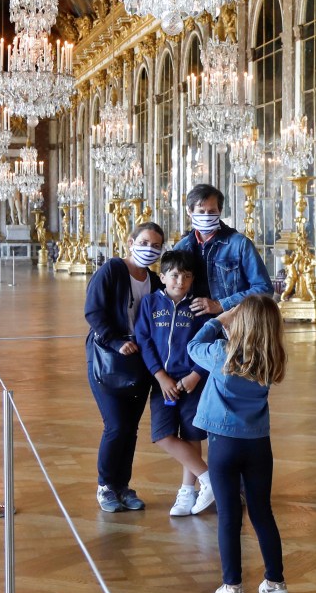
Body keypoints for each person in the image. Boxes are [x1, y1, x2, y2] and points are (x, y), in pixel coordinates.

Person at [187, 294, 288, 593]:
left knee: (229, 517)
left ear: (239, 324)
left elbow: (192, 346)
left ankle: (232, 589)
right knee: (262, 513)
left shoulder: (221, 353)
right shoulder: (272, 359)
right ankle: (276, 583)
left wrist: (219, 319)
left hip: (223, 445)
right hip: (258, 444)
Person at [84, 221, 165, 513]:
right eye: (144, 243)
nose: (149, 249)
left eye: (156, 245)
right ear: (131, 241)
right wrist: (116, 341)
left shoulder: (156, 282)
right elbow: (93, 310)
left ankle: (123, 486)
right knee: (116, 425)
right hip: (108, 358)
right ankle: (105, 485)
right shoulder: (112, 270)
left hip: (139, 362)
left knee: (130, 429)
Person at [135, 249, 213, 516]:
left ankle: (186, 492)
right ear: (163, 276)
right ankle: (209, 478)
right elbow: (144, 341)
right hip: (162, 383)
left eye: (187, 276)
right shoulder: (150, 304)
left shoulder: (198, 307)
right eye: (175, 275)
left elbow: (209, 343)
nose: (180, 281)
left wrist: (195, 375)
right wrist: (160, 376)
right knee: (163, 435)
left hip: (192, 382)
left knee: (192, 435)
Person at [174, 184, 273, 318]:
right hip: (191, 326)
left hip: (233, 323)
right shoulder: (181, 248)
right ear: (189, 212)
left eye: (212, 211)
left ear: (220, 211)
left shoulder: (240, 244)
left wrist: (221, 304)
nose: (207, 216)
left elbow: (264, 288)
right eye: (201, 211)